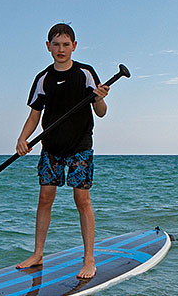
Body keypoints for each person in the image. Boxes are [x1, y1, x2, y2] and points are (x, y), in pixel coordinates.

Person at [15, 23, 109, 279]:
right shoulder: (43, 78)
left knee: (82, 199)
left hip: (80, 146)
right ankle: (37, 254)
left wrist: (99, 97)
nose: (61, 49)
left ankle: (89, 258)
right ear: (48, 47)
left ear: (74, 46)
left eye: (66, 44)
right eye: (56, 44)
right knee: (45, 198)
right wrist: (23, 139)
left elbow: (100, 112)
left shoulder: (86, 73)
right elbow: (35, 114)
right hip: (51, 147)